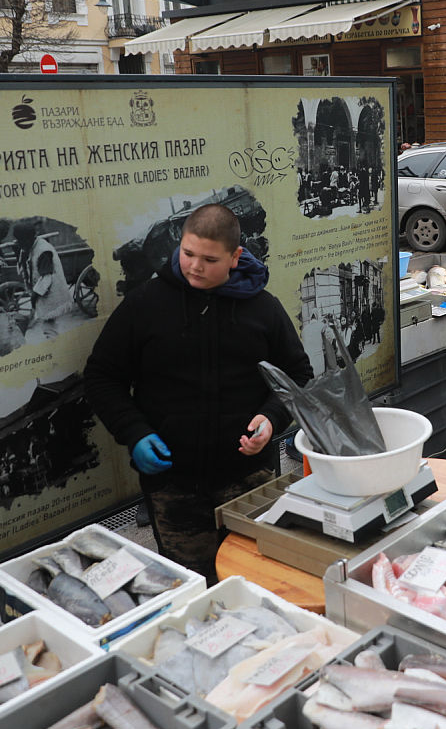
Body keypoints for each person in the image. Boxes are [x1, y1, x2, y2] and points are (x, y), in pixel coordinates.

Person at [84, 204, 312, 581]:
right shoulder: (145, 305)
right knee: (193, 584)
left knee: (261, 577)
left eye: (209, 259)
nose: (194, 266)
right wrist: (134, 432)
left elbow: (298, 374)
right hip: (174, 486)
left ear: (235, 257)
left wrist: (272, 419)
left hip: (250, 479)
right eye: (188, 254)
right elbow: (101, 377)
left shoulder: (263, 309)